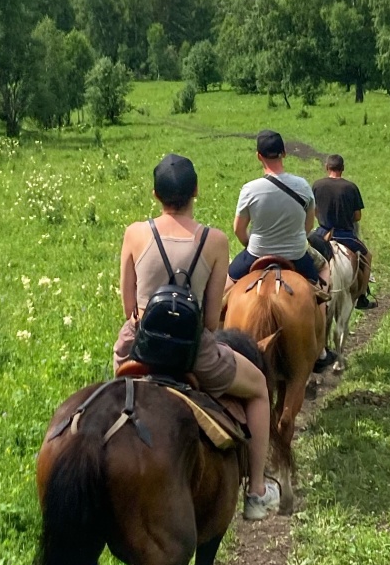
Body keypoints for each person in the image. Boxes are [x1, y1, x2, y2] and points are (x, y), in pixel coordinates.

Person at [115, 153, 280, 521]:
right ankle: (255, 491)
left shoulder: (135, 233)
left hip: (140, 348)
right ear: (196, 192)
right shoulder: (216, 240)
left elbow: (129, 307)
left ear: (155, 194)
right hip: (194, 355)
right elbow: (209, 319)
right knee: (257, 389)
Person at [228, 130, 335, 366]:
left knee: (224, 288)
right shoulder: (303, 186)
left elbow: (238, 228)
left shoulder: (250, 189)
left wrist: (250, 245)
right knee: (324, 274)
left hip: (256, 253)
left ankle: (217, 340)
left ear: (258, 156)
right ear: (284, 153)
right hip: (297, 254)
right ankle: (321, 349)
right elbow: (308, 227)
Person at [312, 153, 373, 306]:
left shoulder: (317, 185)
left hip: (322, 233)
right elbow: (358, 216)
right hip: (345, 235)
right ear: (343, 168)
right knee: (368, 256)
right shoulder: (351, 187)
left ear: (327, 167)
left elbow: (313, 210)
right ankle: (362, 297)